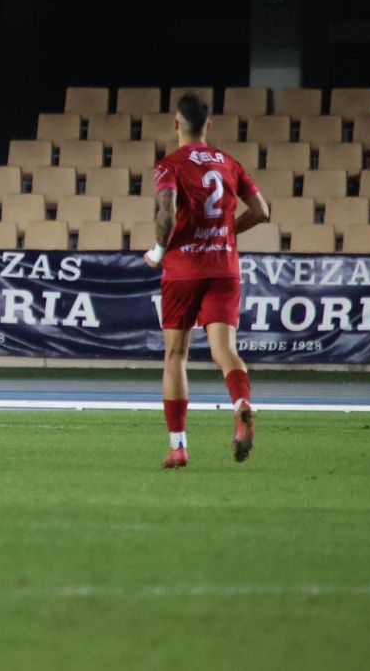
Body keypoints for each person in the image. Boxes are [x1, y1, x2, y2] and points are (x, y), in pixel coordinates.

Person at [145, 93, 269, 469]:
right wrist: (227, 232)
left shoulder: (170, 165)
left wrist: (157, 252)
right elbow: (262, 211)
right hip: (223, 267)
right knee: (224, 351)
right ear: (208, 125)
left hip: (183, 270)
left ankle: (179, 446)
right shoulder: (229, 163)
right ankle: (240, 404)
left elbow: (166, 214)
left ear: (175, 123)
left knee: (175, 355)